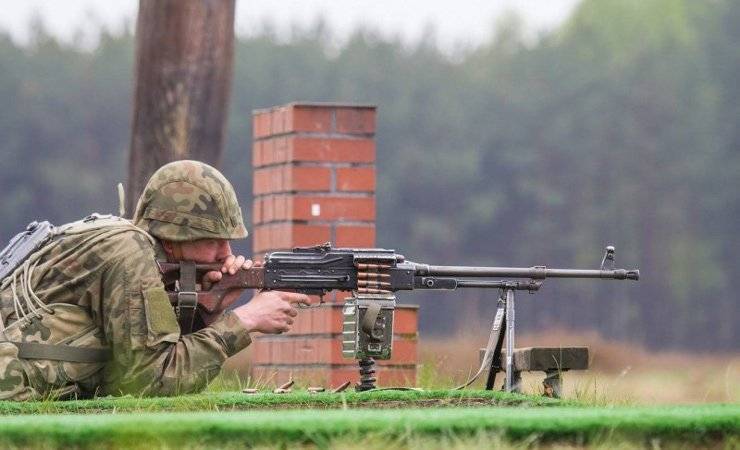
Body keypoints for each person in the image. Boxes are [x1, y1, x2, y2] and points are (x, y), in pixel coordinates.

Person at [0, 160, 312, 400]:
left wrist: (210, 307)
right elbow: (150, 379)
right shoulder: (129, 253)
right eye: (214, 239)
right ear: (175, 236)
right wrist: (243, 321)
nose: (226, 251)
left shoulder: (129, 245)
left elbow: (156, 355)